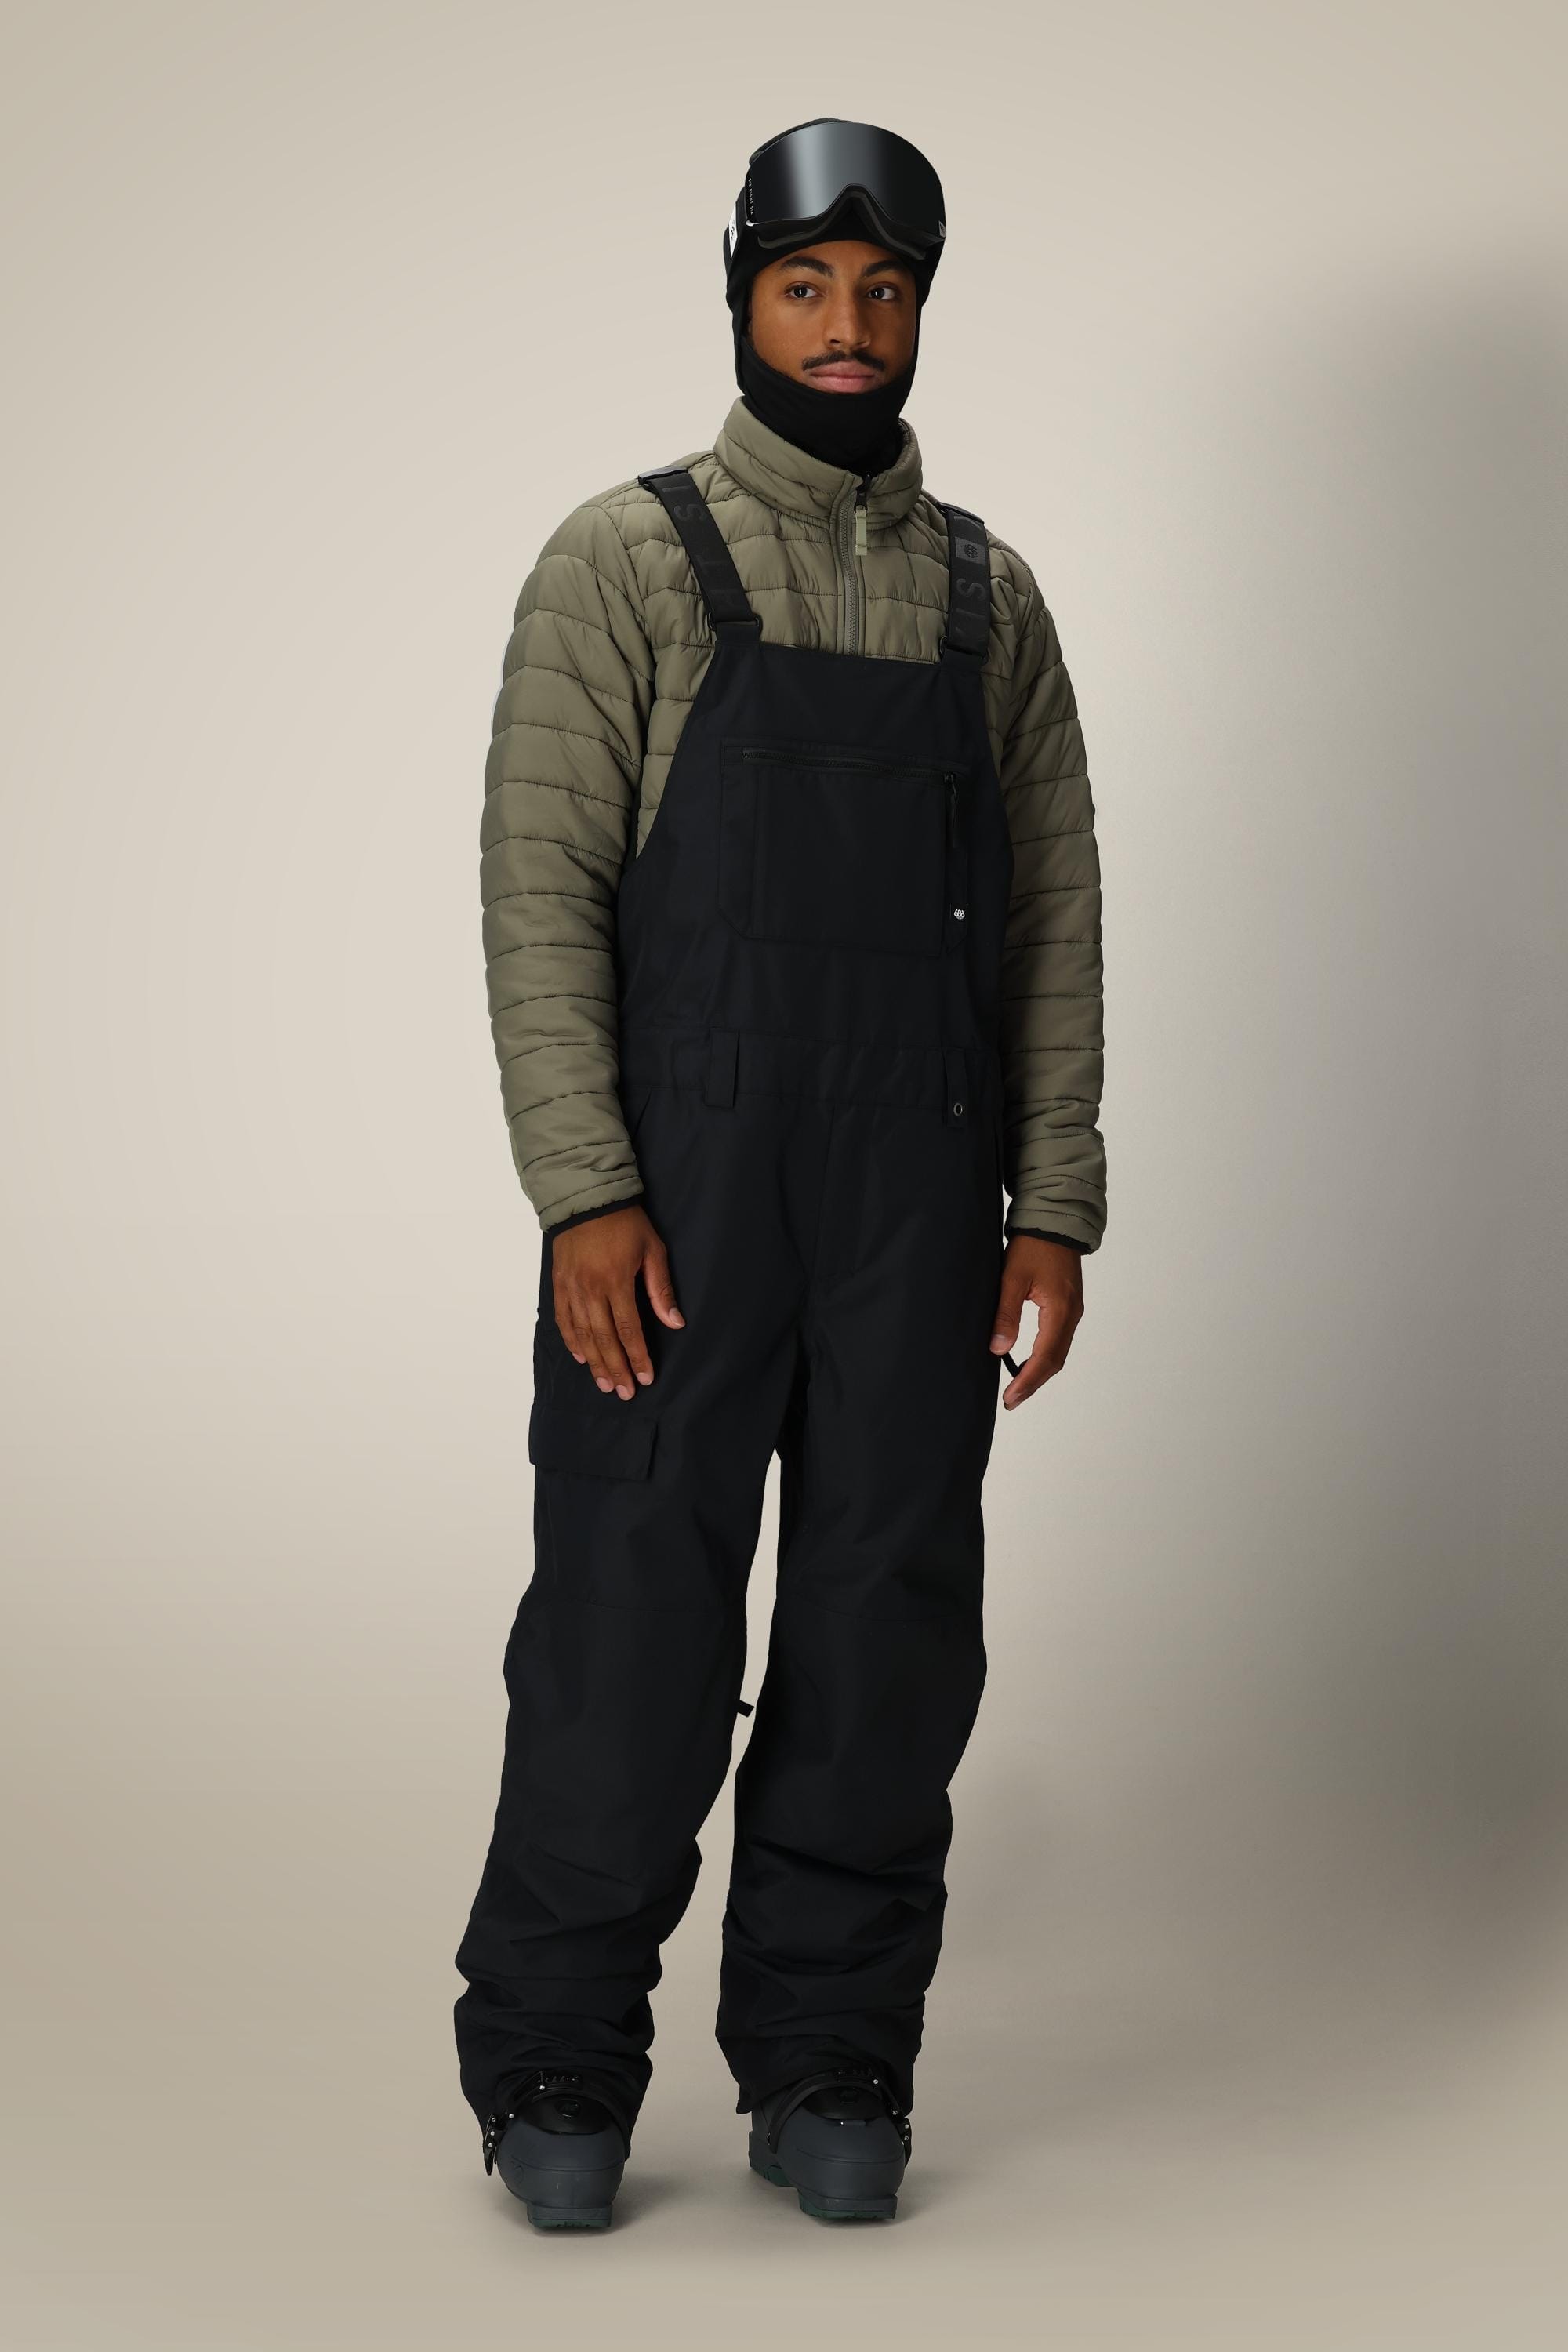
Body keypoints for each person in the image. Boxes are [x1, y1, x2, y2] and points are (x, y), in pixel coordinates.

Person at [454, 118, 1107, 2229]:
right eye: (809, 285)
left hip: (922, 1203)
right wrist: (583, 1186)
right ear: (742, 295)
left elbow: (1057, 916)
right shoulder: (624, 561)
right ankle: (556, 2046)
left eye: (887, 287)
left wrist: (1059, 1200)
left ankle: (833, 2048)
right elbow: (538, 892)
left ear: (924, 309)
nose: (850, 327)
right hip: (681, 1203)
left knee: (883, 1628)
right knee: (631, 1624)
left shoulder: (987, 596)